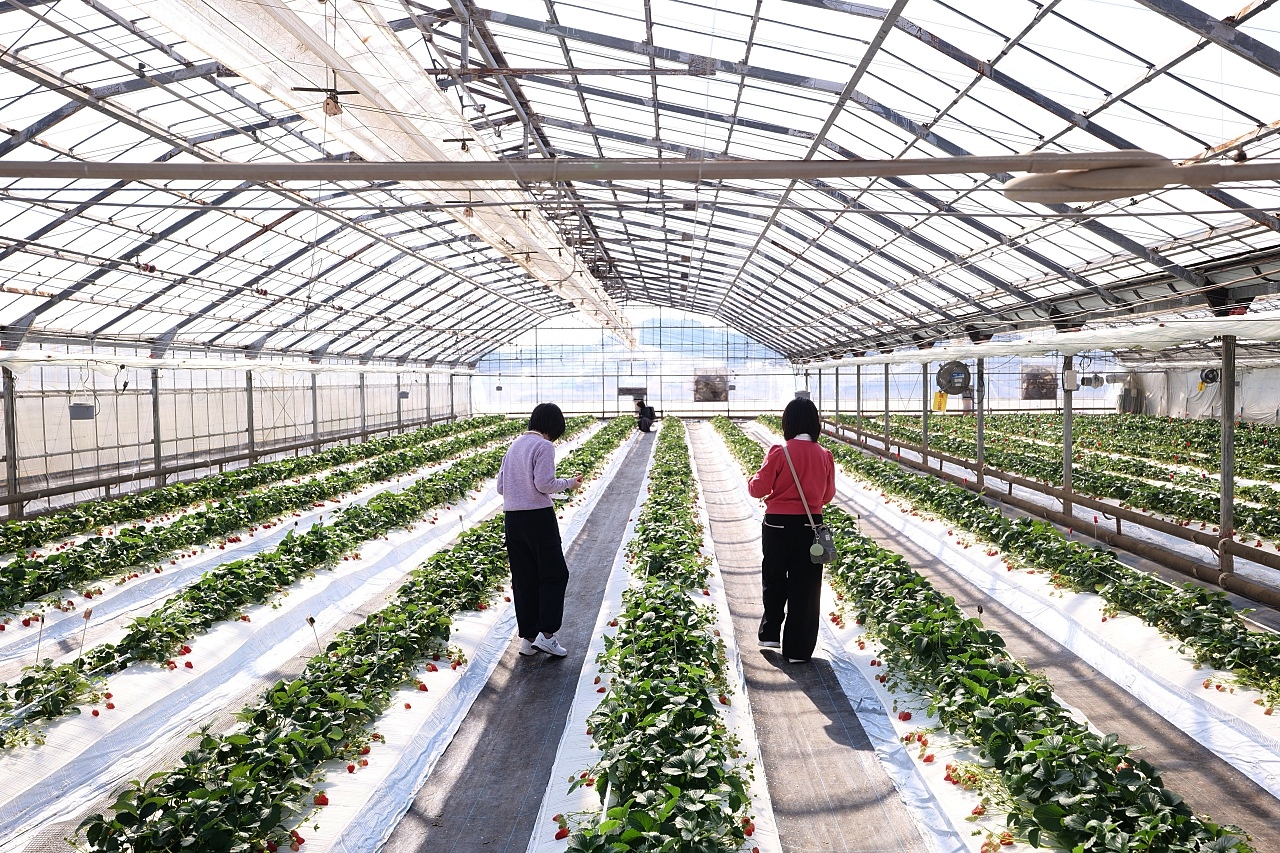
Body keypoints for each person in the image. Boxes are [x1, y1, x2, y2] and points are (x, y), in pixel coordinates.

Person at [746, 397, 836, 663]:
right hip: (810, 527)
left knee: (774, 577)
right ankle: (797, 650)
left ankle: (770, 633)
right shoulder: (824, 455)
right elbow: (827, 496)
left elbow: (758, 489)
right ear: (813, 423)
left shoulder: (780, 451)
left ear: (788, 422)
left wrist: (753, 478)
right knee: (805, 586)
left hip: (777, 525)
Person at [496, 403, 582, 658]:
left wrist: (519, 489)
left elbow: (501, 487)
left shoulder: (515, 445)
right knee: (554, 574)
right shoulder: (543, 446)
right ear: (553, 426)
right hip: (538, 519)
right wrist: (570, 483)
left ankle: (528, 637)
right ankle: (546, 635)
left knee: (524, 579)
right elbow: (544, 483)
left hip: (512, 519)